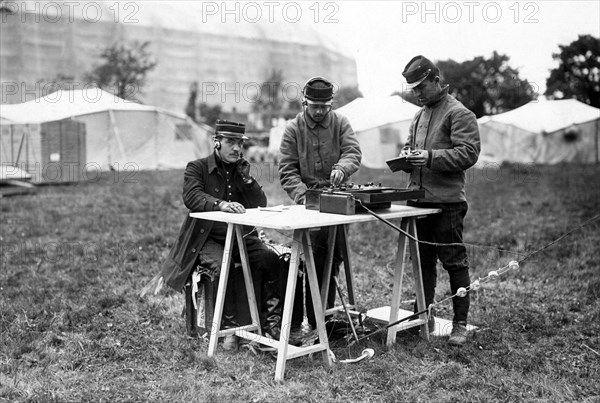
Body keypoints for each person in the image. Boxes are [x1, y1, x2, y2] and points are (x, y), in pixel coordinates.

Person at [160, 120, 283, 350]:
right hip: (206, 238)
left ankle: (270, 328)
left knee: (270, 260)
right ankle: (229, 331)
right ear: (216, 142)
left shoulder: (241, 171)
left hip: (240, 237)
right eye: (230, 142)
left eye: (239, 144)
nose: (236, 148)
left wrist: (247, 180)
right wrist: (220, 204)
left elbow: (260, 204)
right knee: (224, 266)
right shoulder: (196, 168)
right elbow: (192, 197)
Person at [400, 55, 480, 346]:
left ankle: (460, 323)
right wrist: (406, 158)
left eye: (421, 87)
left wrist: (430, 157)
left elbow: (468, 153)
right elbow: (413, 149)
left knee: (454, 262)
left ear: (436, 80)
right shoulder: (419, 115)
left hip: (446, 203)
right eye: (414, 90)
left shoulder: (459, 113)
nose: (418, 94)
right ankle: (424, 315)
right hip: (418, 201)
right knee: (421, 262)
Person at [279, 76, 362, 329]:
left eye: (323, 107)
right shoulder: (293, 129)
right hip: (308, 202)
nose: (318, 112)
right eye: (313, 106)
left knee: (334, 256)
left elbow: (353, 152)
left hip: (337, 199)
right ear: (304, 102)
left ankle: (322, 319)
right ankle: (314, 320)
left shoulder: (341, 123)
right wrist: (304, 196)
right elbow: (287, 170)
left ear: (331, 104)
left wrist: (342, 168)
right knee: (314, 256)